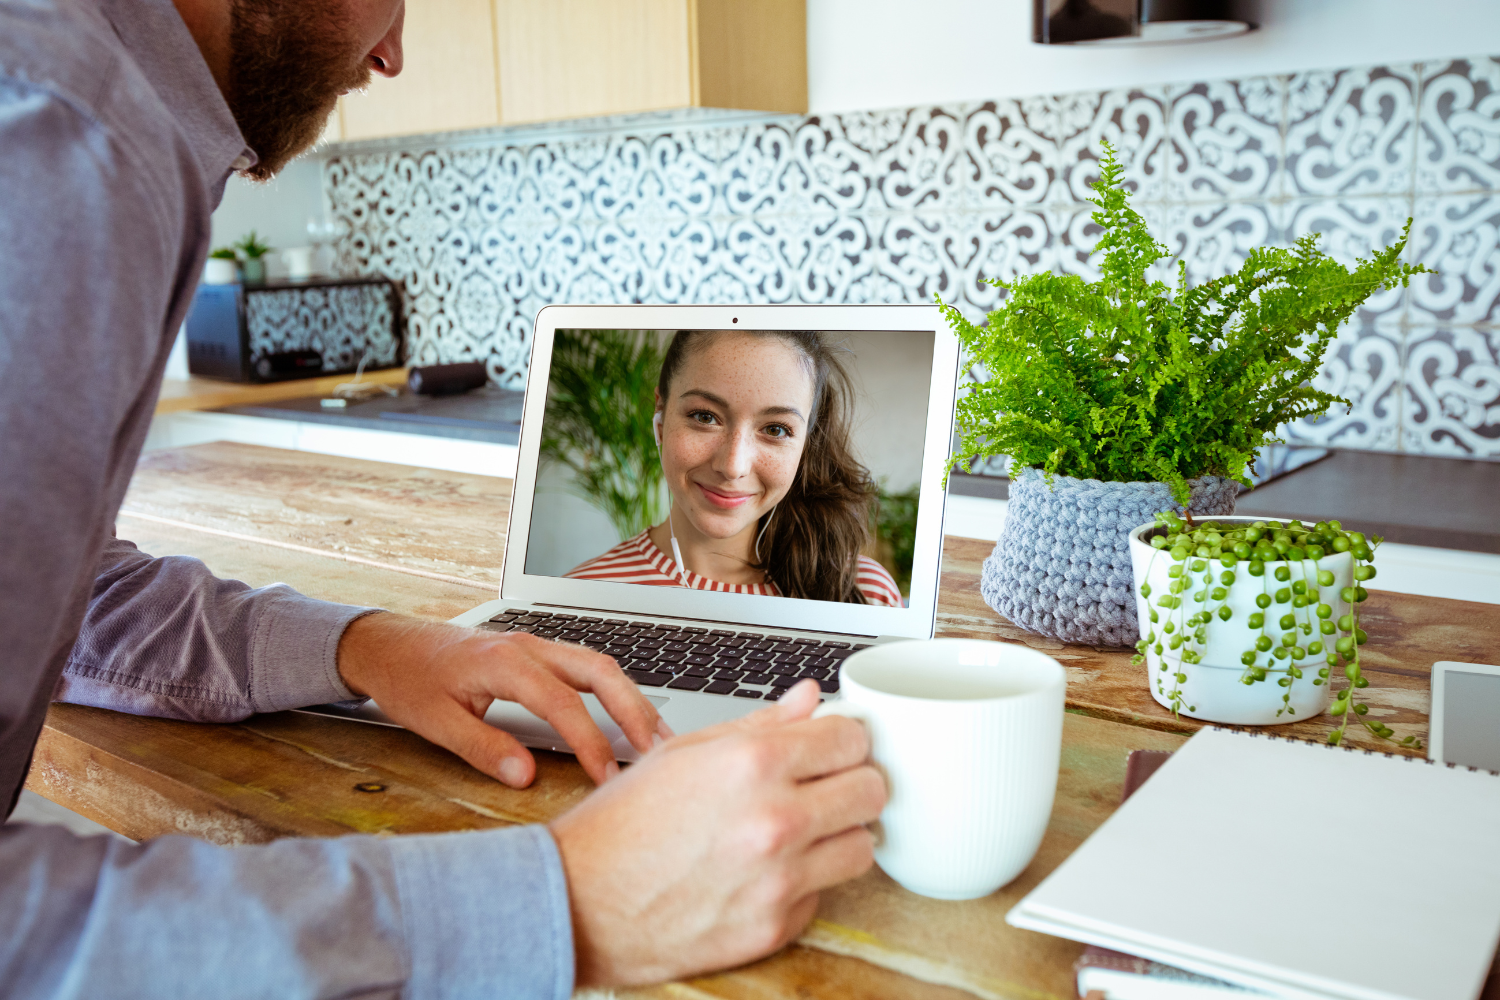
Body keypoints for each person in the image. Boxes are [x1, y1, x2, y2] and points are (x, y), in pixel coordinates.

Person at [0, 1, 887, 996]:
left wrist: (370, 647)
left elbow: (63, 601)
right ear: (657, 422)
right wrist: (569, 898)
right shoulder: (61, 131)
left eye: (777, 426)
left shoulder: (74, 117)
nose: (393, 51)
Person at [566, 330, 904, 606]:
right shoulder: (578, 597)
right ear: (661, 414)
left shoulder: (866, 594)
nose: (733, 466)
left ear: (805, 443)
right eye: (705, 417)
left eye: (775, 429)